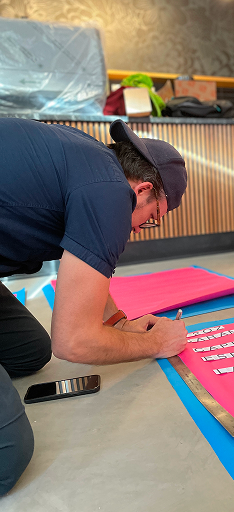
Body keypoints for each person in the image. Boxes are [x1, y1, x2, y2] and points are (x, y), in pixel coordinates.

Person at [0, 117, 188, 495]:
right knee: (8, 456)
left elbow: (84, 263)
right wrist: (156, 343)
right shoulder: (111, 194)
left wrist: (118, 323)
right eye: (153, 217)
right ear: (143, 189)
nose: (140, 228)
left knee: (29, 352)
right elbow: (73, 343)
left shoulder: (92, 163)